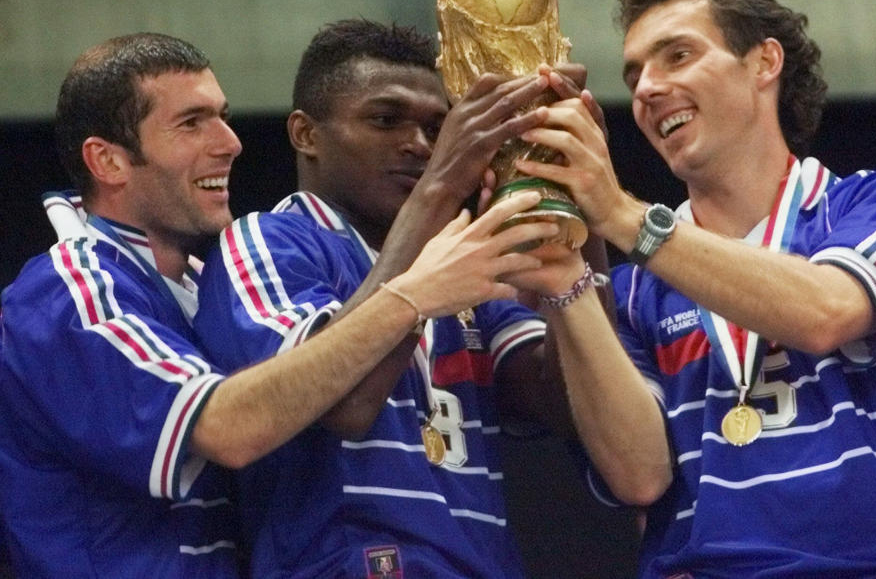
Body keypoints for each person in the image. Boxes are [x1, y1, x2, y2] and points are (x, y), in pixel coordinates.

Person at [0, 32, 549, 578]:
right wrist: (412, 292)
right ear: (109, 161)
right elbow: (230, 429)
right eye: (192, 123)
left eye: (223, 115)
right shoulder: (69, 289)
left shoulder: (188, 284)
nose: (231, 141)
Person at [508, 0, 876, 576]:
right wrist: (566, 280)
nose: (645, 88)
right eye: (634, 73)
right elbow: (640, 478)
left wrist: (620, 215)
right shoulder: (637, 290)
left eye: (678, 56)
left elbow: (825, 312)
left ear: (764, 63)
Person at [191, 19, 598, 578]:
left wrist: (581, 206)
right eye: (386, 120)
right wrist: (443, 186)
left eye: (437, 128)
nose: (420, 145)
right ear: (306, 134)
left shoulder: (461, 256)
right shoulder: (269, 240)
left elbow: (570, 401)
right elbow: (346, 404)